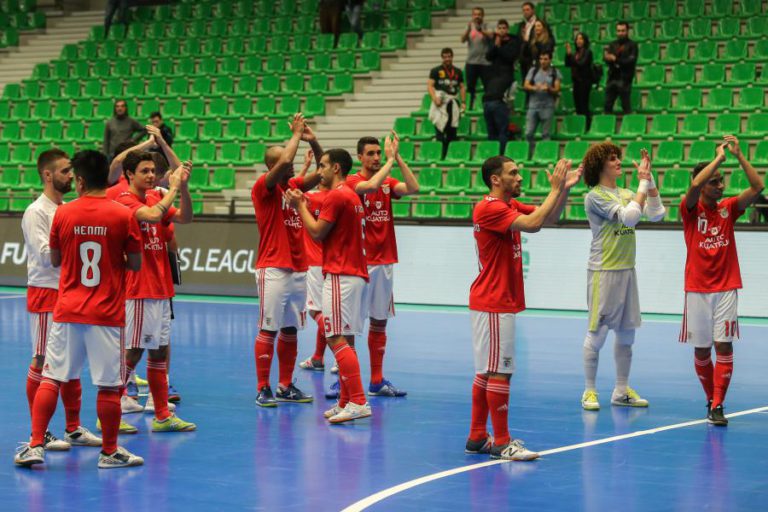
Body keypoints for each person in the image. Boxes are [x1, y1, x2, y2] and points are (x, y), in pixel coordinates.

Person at [14, 150, 143, 469]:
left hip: (68, 307)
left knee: (52, 377)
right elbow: (136, 263)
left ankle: (35, 444)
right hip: (105, 312)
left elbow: (56, 258)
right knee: (109, 386)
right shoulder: (122, 214)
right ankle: (110, 452)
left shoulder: (64, 213)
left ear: (82, 180)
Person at [466, 156, 580, 461]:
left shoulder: (506, 207)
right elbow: (533, 224)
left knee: (487, 372)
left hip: (492, 301)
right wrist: (554, 188)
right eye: (513, 173)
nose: (519, 177)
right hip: (493, 300)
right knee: (499, 372)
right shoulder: (489, 207)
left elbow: (547, 219)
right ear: (495, 179)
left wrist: (564, 189)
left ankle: (477, 436)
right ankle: (502, 442)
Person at [287, 146, 385, 423]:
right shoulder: (351, 196)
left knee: (334, 337)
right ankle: (345, 400)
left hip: (341, 275)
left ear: (336, 168)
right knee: (347, 340)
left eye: (323, 166)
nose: (320, 171)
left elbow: (317, 233)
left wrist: (300, 206)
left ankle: (358, 401)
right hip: (353, 274)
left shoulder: (336, 196)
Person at [20, 149, 102, 452]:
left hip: (69, 292)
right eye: (65, 171)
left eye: (71, 171)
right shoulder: (36, 212)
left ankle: (73, 428)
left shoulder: (67, 208)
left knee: (70, 362)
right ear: (47, 175)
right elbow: (45, 256)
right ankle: (38, 433)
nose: (71, 176)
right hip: (46, 292)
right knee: (42, 360)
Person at [679, 136, 764, 426]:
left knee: (723, 346)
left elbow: (757, 187)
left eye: (721, 181)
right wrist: (718, 159)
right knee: (702, 350)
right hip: (697, 289)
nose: (720, 185)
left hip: (726, 287)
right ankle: (709, 397)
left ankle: (718, 404)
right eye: (714, 181)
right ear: (703, 184)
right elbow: (691, 188)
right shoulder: (689, 209)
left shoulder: (729, 208)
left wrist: (739, 155)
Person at [328, 133, 420, 397]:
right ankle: (346, 381)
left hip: (385, 260)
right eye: (371, 153)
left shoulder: (388, 182)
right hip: (359, 263)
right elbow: (369, 187)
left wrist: (397, 158)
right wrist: (389, 163)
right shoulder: (353, 181)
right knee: (351, 326)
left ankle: (377, 380)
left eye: (379, 153)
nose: (376, 158)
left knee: (379, 322)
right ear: (359, 157)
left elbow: (413, 188)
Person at [114, 152, 197, 432]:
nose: (151, 175)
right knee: (133, 352)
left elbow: (186, 217)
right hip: (139, 289)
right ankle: (109, 413)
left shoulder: (154, 197)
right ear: (129, 174)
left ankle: (162, 415)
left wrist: (182, 187)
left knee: (159, 351)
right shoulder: (125, 200)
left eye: (152, 171)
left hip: (161, 288)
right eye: (144, 171)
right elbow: (150, 217)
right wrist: (172, 188)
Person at [580, 143, 666, 411]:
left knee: (627, 334)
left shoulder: (628, 192)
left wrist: (648, 179)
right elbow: (629, 218)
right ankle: (589, 391)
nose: (618, 162)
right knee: (598, 334)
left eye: (618, 157)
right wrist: (642, 184)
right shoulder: (594, 196)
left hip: (627, 270)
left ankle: (620, 390)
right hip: (603, 272)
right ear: (600, 166)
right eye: (612, 159)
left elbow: (656, 213)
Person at [251, 113, 323, 407]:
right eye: (285, 160)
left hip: (297, 268)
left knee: (291, 329)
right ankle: (262, 387)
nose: (292, 163)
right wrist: (294, 134)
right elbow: (283, 162)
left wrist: (313, 140)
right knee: (269, 327)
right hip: (272, 268)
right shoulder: (263, 188)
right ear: (271, 166)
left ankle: (284, 385)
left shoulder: (292, 185)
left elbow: (323, 171)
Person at [483, 19, 520, 154]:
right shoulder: (494, 41)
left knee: (502, 131)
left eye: (504, 28)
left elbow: (510, 56)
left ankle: (502, 154)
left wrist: (499, 48)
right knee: (491, 132)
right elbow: (488, 56)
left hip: (504, 84)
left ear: (507, 29)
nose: (502, 30)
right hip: (493, 82)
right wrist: (495, 45)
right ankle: (493, 156)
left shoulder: (513, 41)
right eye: (500, 28)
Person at [428, 48, 466, 160]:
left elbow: (462, 87)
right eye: (445, 56)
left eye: (449, 56)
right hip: (440, 103)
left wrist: (463, 102)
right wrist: (434, 98)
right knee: (440, 131)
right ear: (442, 57)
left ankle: (450, 156)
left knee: (452, 131)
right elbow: (430, 85)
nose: (447, 59)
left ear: (452, 57)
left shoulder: (458, 71)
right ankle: (440, 156)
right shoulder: (436, 70)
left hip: (452, 102)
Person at [523, 52, 561, 155]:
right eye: (541, 59)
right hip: (533, 106)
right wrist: (536, 87)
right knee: (528, 133)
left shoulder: (554, 72)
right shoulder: (533, 71)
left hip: (547, 106)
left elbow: (557, 88)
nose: (543, 61)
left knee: (546, 134)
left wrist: (549, 88)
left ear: (550, 60)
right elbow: (526, 85)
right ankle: (530, 153)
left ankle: (545, 154)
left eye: (545, 59)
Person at [460, 7, 493, 110]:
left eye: (479, 14)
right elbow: (462, 40)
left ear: (483, 15)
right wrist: (468, 30)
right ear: (472, 15)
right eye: (475, 14)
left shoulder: (487, 26)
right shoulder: (469, 26)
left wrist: (482, 31)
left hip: (485, 63)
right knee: (470, 87)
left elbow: (492, 36)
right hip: (471, 62)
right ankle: (470, 106)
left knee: (488, 87)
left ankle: (487, 106)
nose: (477, 16)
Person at [603, 22, 638, 115]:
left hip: (625, 79)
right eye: (618, 31)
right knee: (607, 105)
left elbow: (630, 62)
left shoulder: (632, 45)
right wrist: (607, 58)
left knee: (626, 106)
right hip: (612, 78)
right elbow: (607, 59)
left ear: (627, 31)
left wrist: (615, 59)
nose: (620, 33)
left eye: (623, 31)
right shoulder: (612, 44)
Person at [565, 32, 595, 130]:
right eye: (577, 39)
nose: (578, 41)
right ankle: (580, 125)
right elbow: (568, 64)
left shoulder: (588, 52)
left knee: (583, 105)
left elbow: (581, 64)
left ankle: (587, 126)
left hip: (585, 82)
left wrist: (572, 57)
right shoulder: (576, 53)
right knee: (577, 105)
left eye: (581, 39)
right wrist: (568, 54)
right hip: (576, 82)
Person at [517, 1, 539, 86]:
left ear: (533, 10)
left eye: (527, 9)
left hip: (535, 58)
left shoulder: (540, 23)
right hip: (524, 60)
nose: (525, 12)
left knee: (536, 84)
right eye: (524, 10)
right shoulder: (522, 25)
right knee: (526, 86)